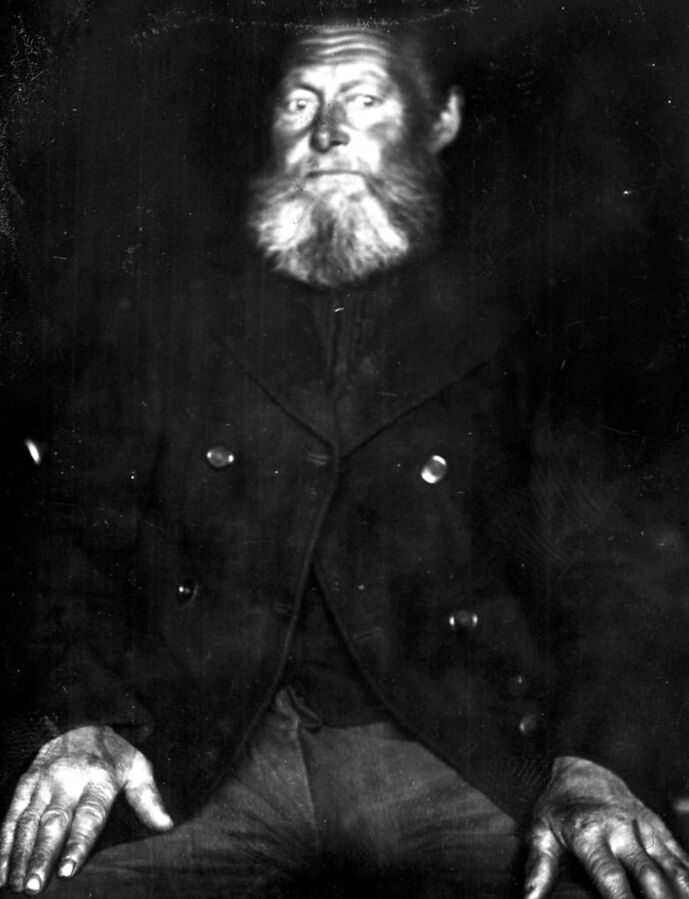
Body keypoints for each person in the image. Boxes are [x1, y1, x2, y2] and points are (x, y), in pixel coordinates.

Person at [1, 17, 688, 898]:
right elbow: (70, 530)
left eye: (363, 99)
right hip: (199, 751)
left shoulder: (530, 313)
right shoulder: (173, 313)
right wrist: (81, 719)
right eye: (300, 102)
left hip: (465, 752)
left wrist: (595, 762)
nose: (326, 132)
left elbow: (614, 564)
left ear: (439, 118)